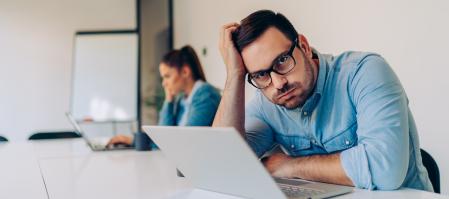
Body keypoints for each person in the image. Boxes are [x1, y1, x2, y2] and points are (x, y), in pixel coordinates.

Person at [213, 10, 433, 191]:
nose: (278, 83)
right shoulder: (266, 102)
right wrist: (234, 74)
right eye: (261, 75)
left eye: (282, 60)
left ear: (304, 47)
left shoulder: (364, 72)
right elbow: (222, 166)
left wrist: (288, 167)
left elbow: (386, 170)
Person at [107, 45, 221, 146]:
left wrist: (134, 141)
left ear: (185, 72)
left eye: (167, 76)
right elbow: (164, 136)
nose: (164, 83)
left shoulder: (206, 96)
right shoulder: (182, 99)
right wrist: (169, 100)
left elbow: (185, 141)